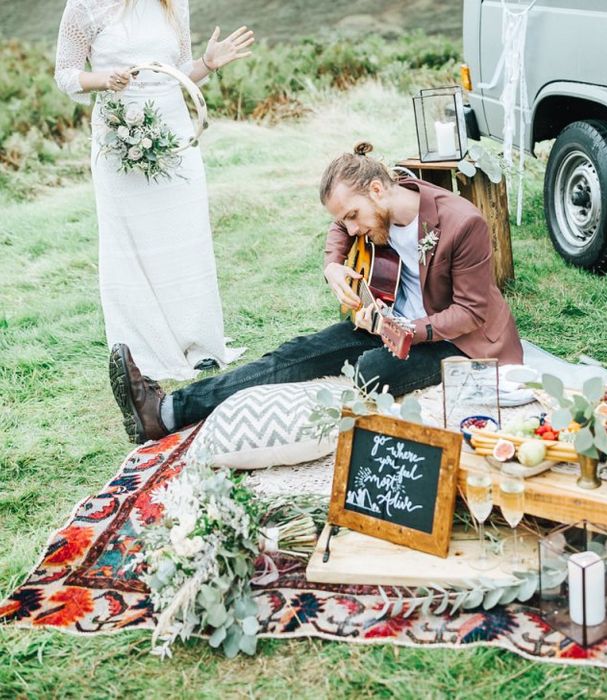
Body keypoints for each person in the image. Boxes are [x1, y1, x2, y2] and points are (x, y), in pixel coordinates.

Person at [109, 142, 524, 443]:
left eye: (353, 217)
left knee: (372, 371)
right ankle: (165, 412)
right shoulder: (372, 204)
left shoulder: (462, 223)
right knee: (295, 353)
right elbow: (338, 231)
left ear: (378, 191)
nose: (352, 230)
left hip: (458, 341)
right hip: (387, 320)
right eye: (345, 221)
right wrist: (332, 267)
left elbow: (470, 313)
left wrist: (401, 328)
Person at [54, 0, 254, 380]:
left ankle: (198, 343)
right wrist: (104, 79)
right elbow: (65, 74)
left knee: (185, 236)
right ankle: (144, 349)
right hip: (117, 137)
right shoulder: (84, 6)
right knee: (131, 242)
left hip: (174, 134)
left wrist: (208, 64)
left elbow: (176, 73)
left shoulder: (173, 3)